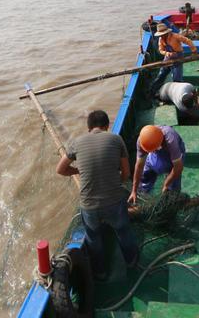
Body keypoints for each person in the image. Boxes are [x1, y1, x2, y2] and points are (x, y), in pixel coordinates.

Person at [56, 110, 138, 280]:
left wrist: (78, 170)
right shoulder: (116, 139)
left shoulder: (76, 142)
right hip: (115, 202)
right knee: (123, 231)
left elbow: (61, 169)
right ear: (107, 126)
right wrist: (118, 182)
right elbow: (126, 172)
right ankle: (132, 262)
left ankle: (100, 272)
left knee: (94, 239)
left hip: (89, 206)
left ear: (88, 128)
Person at [128, 125, 186, 204]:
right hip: (156, 149)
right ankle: (143, 191)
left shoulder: (170, 139)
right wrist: (134, 191)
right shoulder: (141, 141)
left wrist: (166, 183)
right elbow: (139, 166)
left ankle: (171, 195)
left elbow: (178, 168)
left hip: (175, 153)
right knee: (146, 173)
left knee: (173, 187)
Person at [149, 22, 197, 96]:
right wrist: (167, 53)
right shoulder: (160, 39)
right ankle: (153, 91)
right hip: (168, 57)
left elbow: (188, 41)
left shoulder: (175, 36)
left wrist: (193, 51)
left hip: (178, 56)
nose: (162, 36)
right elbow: (161, 50)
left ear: (167, 33)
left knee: (177, 77)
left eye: (163, 34)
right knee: (161, 74)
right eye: (161, 35)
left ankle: (179, 94)